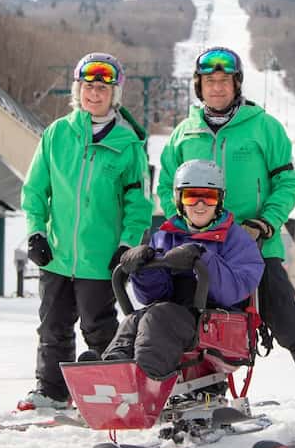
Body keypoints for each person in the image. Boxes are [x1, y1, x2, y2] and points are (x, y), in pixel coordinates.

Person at [158, 46, 295, 430]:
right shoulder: (184, 132)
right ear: (199, 86)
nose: (216, 88)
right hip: (199, 248)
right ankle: (201, 395)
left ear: (236, 83)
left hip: (254, 246)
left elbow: (288, 181)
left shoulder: (263, 126)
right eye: (209, 81)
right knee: (194, 320)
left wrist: (265, 223)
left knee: (287, 318)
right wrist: (185, 225)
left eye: (223, 81)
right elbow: (165, 185)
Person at [19, 52, 152, 410]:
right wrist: (36, 233)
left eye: (103, 89)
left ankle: (106, 394)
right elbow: (34, 190)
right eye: (88, 87)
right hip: (57, 254)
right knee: (52, 327)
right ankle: (52, 391)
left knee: (99, 328)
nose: (95, 94)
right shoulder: (57, 134)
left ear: (115, 95)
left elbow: (138, 205)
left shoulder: (128, 146)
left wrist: (125, 246)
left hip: (99, 258)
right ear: (78, 91)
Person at [101, 160, 264, 379]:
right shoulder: (164, 237)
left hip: (216, 323)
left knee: (157, 316)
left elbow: (232, 291)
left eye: (209, 197)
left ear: (219, 200)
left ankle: (145, 379)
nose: (200, 205)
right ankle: (113, 372)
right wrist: (144, 270)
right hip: (174, 318)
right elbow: (152, 297)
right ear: (179, 200)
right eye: (191, 196)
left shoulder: (237, 240)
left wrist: (202, 257)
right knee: (135, 319)